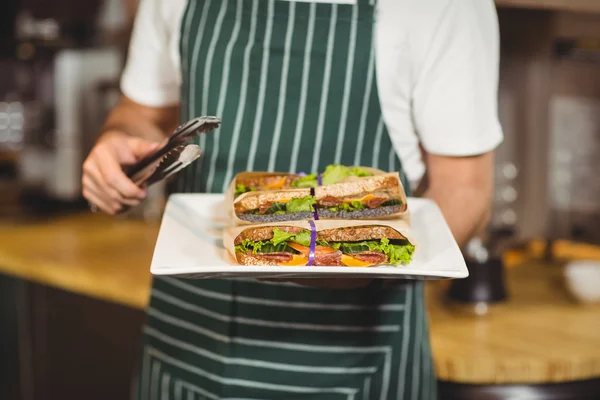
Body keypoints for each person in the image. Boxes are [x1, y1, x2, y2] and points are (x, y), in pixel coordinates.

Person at [82, 0, 502, 398]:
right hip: (185, 346)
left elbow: (466, 189)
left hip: (359, 362)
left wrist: (355, 258)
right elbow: (142, 112)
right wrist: (117, 141)